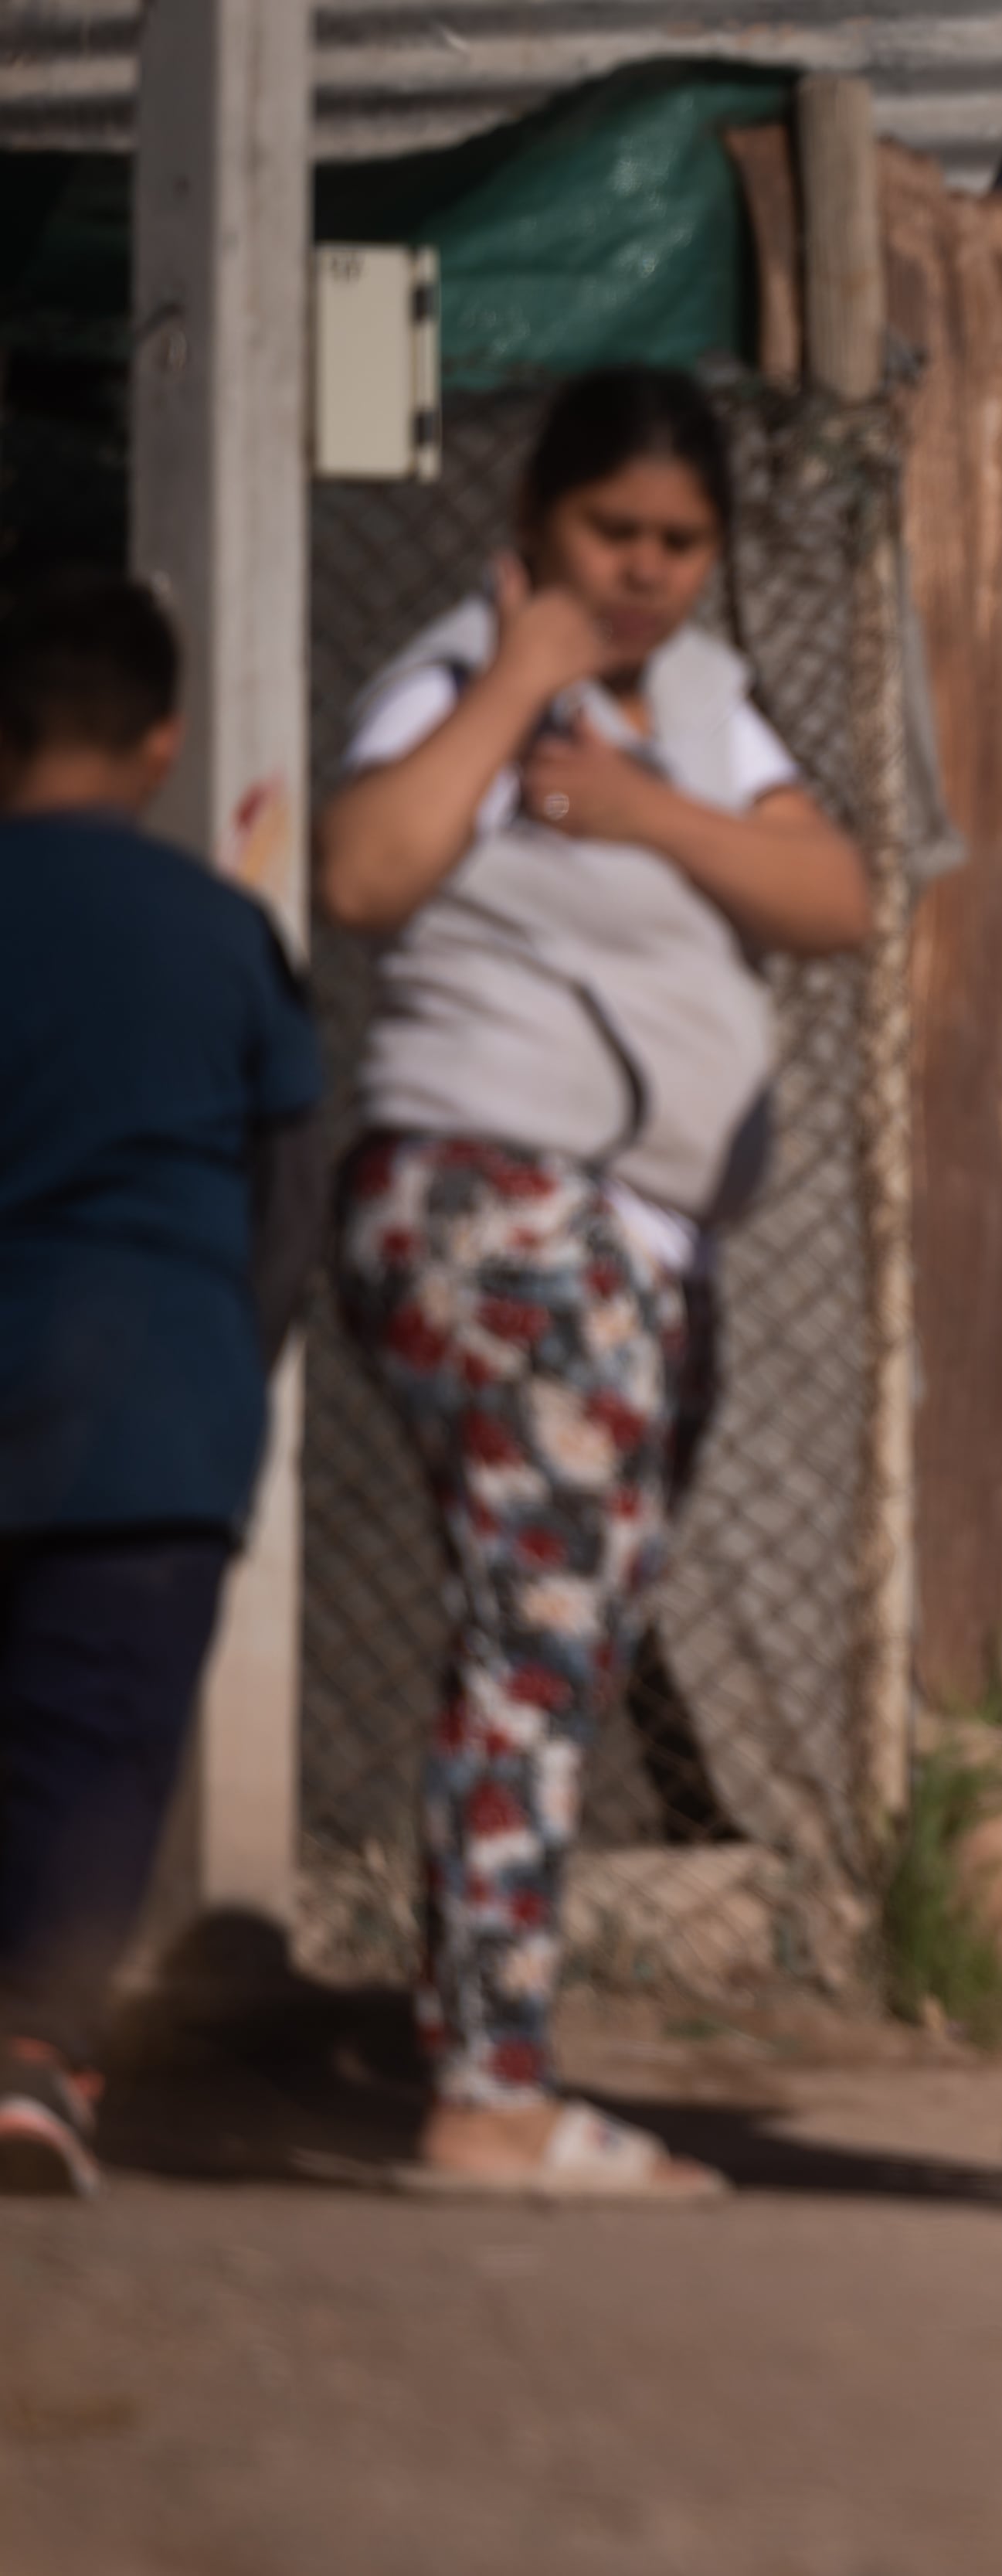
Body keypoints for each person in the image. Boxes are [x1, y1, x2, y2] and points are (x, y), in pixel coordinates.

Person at [315, 366, 871, 2197]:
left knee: (547, 1632)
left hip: (635, 1240)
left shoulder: (698, 707)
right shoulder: (447, 671)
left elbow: (831, 891)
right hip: (497, 1206)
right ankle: (487, 2087)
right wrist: (510, 677)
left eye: (676, 543)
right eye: (605, 534)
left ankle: (482, 2038)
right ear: (536, 524)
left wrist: (641, 809)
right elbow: (367, 866)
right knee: (538, 1638)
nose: (639, 572)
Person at [0, 573, 326, 2199]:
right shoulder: (225, 933)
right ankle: (38, 2057)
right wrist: (230, 1366)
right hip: (159, 1415)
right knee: (95, 1743)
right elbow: (293, 1186)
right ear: (162, 741)